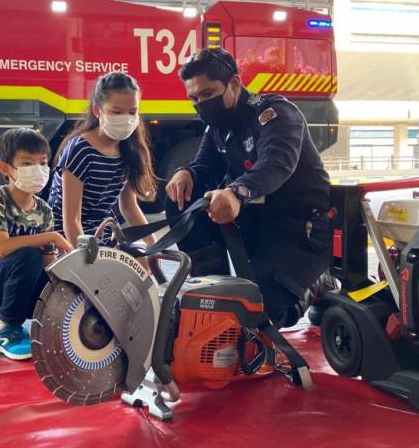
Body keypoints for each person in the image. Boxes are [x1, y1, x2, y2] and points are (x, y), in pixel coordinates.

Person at [165, 48, 332, 328]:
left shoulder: (276, 114)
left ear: (234, 83)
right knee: (182, 195)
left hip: (300, 228)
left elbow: (277, 162)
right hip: (257, 224)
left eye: (207, 94)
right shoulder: (218, 127)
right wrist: (186, 173)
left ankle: (321, 278)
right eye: (193, 98)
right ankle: (212, 285)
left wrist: (238, 191)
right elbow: (204, 168)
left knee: (263, 314)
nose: (201, 104)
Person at [0, 128, 74, 360]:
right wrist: (52, 237)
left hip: (18, 277)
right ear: (5, 168)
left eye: (43, 162)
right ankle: (6, 330)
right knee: (27, 255)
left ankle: (38, 321)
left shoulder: (43, 210)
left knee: (58, 280)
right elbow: (3, 247)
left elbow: (47, 262)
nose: (38, 170)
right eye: (27, 163)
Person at [48, 72, 157, 250]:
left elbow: (129, 207)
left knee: (143, 260)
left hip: (102, 235)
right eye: (116, 112)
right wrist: (87, 259)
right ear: (98, 111)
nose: (126, 118)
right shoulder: (80, 150)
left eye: (132, 112)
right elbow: (71, 220)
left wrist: (154, 246)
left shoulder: (128, 149)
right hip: (68, 239)